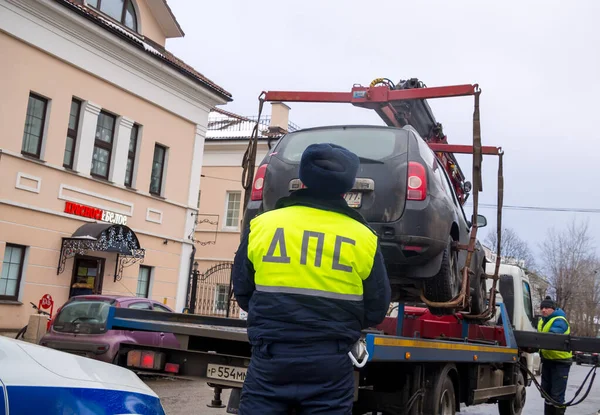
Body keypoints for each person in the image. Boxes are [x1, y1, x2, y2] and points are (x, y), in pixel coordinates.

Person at [232, 143, 391, 414]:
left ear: (302, 179)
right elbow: (376, 309)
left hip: (271, 360)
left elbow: (243, 291)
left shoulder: (264, 226)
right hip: (329, 365)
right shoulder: (363, 237)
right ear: (347, 188)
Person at [537, 296, 573, 415]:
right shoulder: (542, 321)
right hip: (547, 361)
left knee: (557, 395)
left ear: (553, 309)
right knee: (547, 393)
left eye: (547, 308)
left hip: (560, 363)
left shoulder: (559, 320)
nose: (543, 310)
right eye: (542, 307)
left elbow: (552, 336)